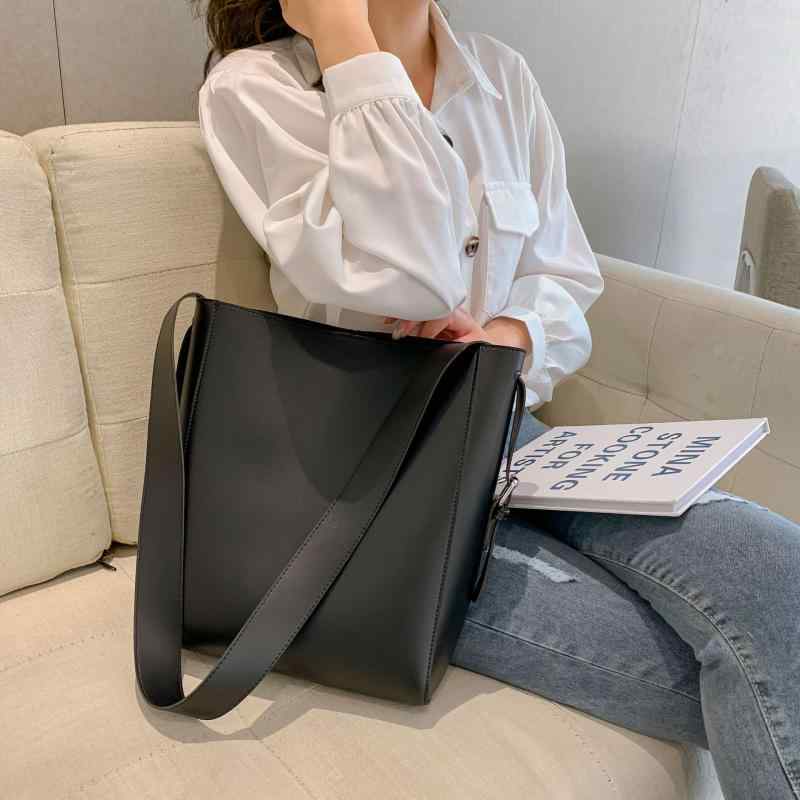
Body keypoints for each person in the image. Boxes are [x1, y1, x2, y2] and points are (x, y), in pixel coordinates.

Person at [193, 1, 800, 797]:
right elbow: (414, 273)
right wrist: (343, 36)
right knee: (757, 662)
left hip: (509, 433)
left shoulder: (502, 79)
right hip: (371, 494)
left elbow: (567, 277)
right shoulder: (257, 90)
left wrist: (507, 338)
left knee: (781, 576)